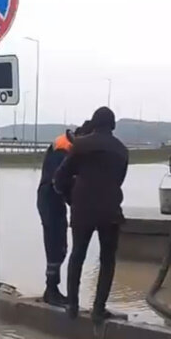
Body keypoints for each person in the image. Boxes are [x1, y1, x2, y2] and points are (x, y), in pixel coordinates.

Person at [54, 107, 129, 323]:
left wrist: (70, 197)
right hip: (110, 210)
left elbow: (60, 178)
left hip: (82, 208)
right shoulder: (122, 151)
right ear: (112, 126)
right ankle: (98, 309)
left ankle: (72, 306)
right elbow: (119, 180)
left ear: (94, 124)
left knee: (77, 254)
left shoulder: (81, 145)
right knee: (107, 260)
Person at [37, 130, 73, 306]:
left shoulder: (64, 144)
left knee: (60, 247)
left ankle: (53, 289)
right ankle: (51, 290)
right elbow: (59, 180)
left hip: (52, 199)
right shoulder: (63, 149)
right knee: (55, 246)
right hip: (50, 198)